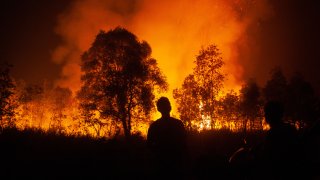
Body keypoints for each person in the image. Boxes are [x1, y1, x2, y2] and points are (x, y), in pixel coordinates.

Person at [255, 101, 299, 179]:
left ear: (271, 115)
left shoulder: (273, 133)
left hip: (278, 172)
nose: (265, 115)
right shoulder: (290, 129)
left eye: (266, 113)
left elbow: (266, 156)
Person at [147, 97, 186, 178]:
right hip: (175, 165)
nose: (168, 106)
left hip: (162, 166)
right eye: (167, 104)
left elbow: (149, 146)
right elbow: (184, 144)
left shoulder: (154, 126)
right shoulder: (178, 124)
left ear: (158, 109)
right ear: (170, 107)